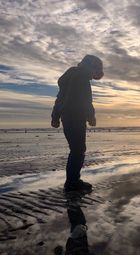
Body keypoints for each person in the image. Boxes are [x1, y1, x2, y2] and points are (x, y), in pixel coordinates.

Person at [51, 55, 104, 192]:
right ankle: (72, 182)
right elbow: (86, 100)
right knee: (78, 150)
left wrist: (55, 117)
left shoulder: (70, 77)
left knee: (76, 149)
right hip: (76, 117)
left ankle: (72, 181)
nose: (93, 77)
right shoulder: (81, 78)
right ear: (91, 67)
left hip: (66, 117)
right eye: (95, 72)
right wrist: (91, 116)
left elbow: (59, 99)